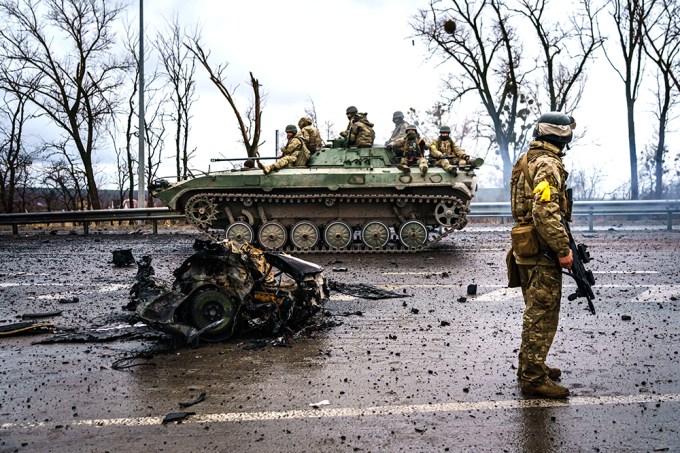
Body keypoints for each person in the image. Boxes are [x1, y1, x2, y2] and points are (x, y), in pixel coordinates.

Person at [508, 111, 577, 399]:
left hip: (527, 246)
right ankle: (533, 378)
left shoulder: (527, 158)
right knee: (542, 312)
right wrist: (563, 249)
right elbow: (544, 211)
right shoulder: (548, 164)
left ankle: (531, 365)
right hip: (542, 249)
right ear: (561, 136)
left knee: (536, 309)